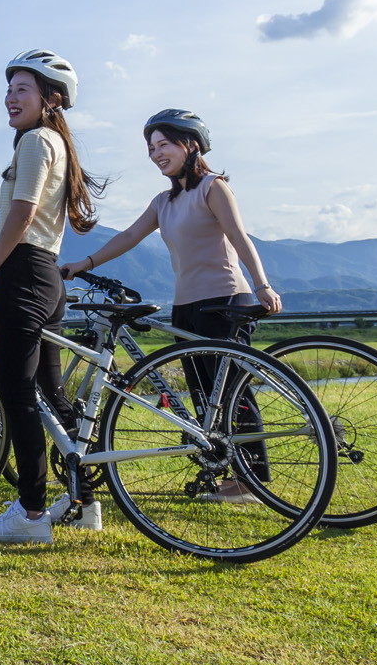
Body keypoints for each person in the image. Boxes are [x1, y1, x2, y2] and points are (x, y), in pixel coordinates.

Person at [59, 108, 282, 503]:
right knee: (203, 398)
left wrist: (262, 284)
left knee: (231, 392)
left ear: (190, 144)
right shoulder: (164, 200)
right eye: (151, 147)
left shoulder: (213, 188)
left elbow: (240, 237)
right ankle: (231, 476)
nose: (156, 153)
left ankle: (252, 480)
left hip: (226, 299)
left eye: (164, 144)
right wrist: (85, 264)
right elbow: (128, 236)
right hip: (187, 305)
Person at [0, 49, 106, 544]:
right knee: (50, 394)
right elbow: (8, 222)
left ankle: (32, 514)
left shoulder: (38, 141)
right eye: (9, 88)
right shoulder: (50, 141)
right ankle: (83, 500)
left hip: (24, 276)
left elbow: (22, 213)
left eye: (23, 89)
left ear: (51, 98)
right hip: (45, 277)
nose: (10, 97)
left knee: (17, 394)